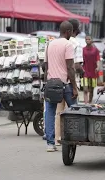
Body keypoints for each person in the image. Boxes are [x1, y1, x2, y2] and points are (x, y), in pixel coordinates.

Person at [44, 21, 78, 152]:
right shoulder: (68, 44)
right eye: (71, 32)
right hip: (64, 84)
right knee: (76, 110)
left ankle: (50, 144)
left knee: (50, 113)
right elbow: (70, 67)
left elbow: (45, 66)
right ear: (68, 31)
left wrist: (46, 83)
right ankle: (75, 138)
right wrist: (74, 87)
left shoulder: (50, 44)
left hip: (51, 83)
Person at [54, 18, 83, 146]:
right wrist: (83, 72)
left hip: (58, 80)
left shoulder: (57, 42)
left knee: (59, 111)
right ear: (75, 29)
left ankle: (57, 138)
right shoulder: (76, 43)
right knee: (73, 111)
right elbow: (75, 66)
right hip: (71, 82)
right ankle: (72, 138)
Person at [82, 36, 100, 104]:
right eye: (86, 39)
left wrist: (98, 67)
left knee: (91, 89)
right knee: (85, 89)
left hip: (93, 72)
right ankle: (86, 103)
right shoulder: (83, 49)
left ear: (92, 40)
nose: (87, 40)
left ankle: (90, 102)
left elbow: (98, 59)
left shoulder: (95, 50)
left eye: (89, 39)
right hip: (85, 71)